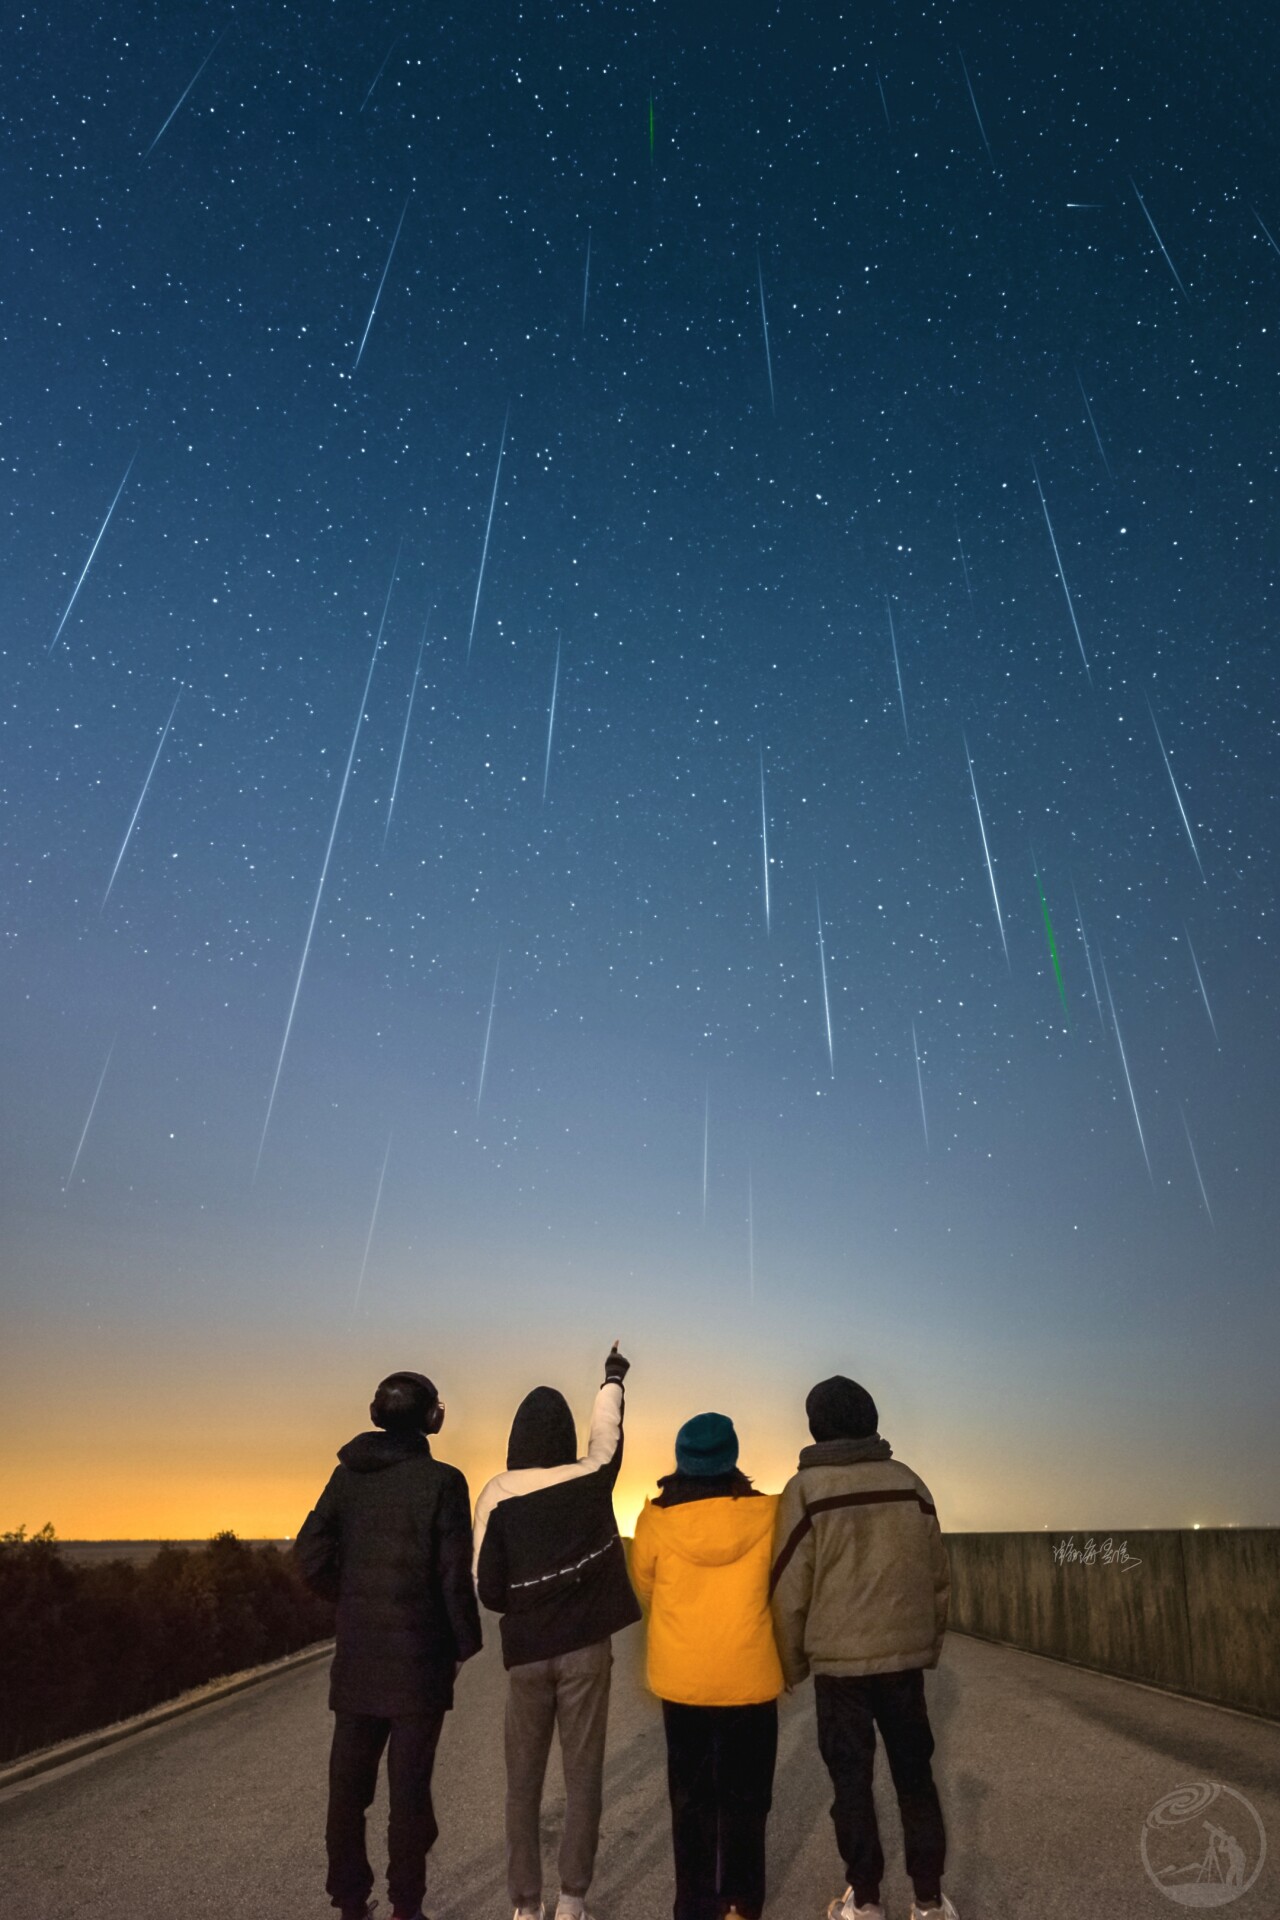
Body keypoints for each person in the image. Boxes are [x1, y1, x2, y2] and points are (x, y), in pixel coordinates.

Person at [296, 1370, 482, 1920]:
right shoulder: (443, 1482)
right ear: (431, 1419)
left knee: (348, 1792)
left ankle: (351, 1903)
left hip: (357, 1660)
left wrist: (350, 1596)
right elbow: (453, 1577)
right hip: (420, 1665)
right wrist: (463, 1644)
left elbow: (308, 1555)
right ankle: (407, 1907)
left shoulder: (346, 1477)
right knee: (409, 1794)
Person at [769, 1375, 957, 1920]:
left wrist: (793, 1663)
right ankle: (928, 1899)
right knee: (915, 1776)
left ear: (816, 1426)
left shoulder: (804, 1491)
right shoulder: (910, 1483)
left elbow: (788, 1589)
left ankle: (867, 1900)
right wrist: (929, 1643)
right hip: (903, 1660)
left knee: (851, 1781)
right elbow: (937, 1576)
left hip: (838, 1667)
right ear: (871, 1418)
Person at [473, 1343, 641, 1920]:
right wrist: (612, 1376)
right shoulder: (591, 1476)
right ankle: (571, 1903)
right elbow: (608, 1435)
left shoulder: (496, 1493)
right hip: (586, 1652)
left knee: (523, 1784)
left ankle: (525, 1906)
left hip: (526, 1656)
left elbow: (485, 1587)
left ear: (515, 1440)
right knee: (582, 1777)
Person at [630, 1412, 782, 1920]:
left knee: (691, 1798)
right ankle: (741, 1902)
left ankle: (694, 1905)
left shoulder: (654, 1519)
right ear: (732, 1456)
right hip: (751, 1674)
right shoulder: (770, 1514)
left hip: (683, 1678)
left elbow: (646, 1588)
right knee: (747, 1797)